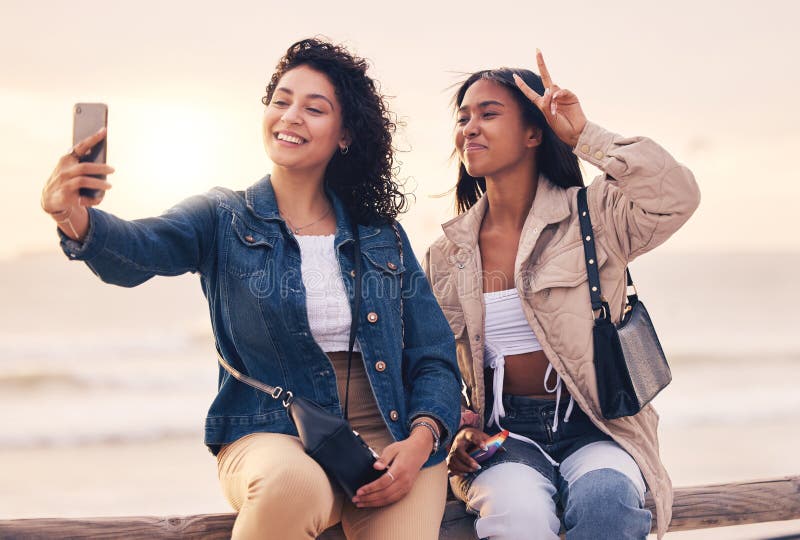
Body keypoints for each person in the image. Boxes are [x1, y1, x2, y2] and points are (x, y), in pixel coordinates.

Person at [40, 38, 461, 540]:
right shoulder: (222, 217)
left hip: (389, 432)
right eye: (281, 101)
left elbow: (433, 354)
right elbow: (141, 249)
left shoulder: (381, 233)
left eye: (314, 108)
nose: (291, 116)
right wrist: (75, 217)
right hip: (271, 430)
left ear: (345, 134)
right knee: (293, 486)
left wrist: (420, 442)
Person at [424, 50, 700, 540]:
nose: (470, 127)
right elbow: (437, 364)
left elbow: (676, 194)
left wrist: (583, 134)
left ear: (535, 133)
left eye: (489, 114)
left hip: (600, 425)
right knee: (517, 519)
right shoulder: (447, 254)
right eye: (463, 117)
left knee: (608, 507)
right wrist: (455, 427)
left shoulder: (594, 215)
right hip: (505, 436)